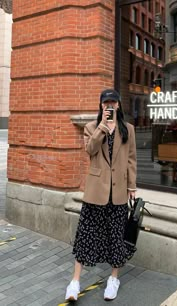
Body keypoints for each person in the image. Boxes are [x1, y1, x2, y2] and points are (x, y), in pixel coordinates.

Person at [65, 89, 137, 302]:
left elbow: (131, 159)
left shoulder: (128, 130)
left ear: (119, 105)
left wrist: (132, 186)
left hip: (119, 192)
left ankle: (114, 279)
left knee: (116, 237)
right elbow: (90, 150)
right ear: (101, 105)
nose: (110, 105)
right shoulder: (91, 127)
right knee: (85, 235)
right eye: (106, 102)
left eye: (113, 102)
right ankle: (75, 282)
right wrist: (102, 128)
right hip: (96, 191)